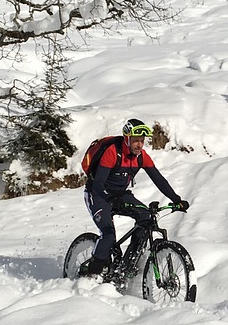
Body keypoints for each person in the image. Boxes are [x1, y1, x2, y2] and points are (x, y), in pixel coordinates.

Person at [81, 118, 189, 278]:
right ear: (127, 139)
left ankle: (126, 267)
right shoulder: (112, 152)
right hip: (97, 195)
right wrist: (108, 197)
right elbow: (98, 184)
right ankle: (90, 274)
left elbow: (159, 180)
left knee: (146, 218)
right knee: (108, 234)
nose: (139, 145)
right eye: (135, 141)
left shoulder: (141, 156)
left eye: (142, 141)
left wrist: (176, 200)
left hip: (120, 195)